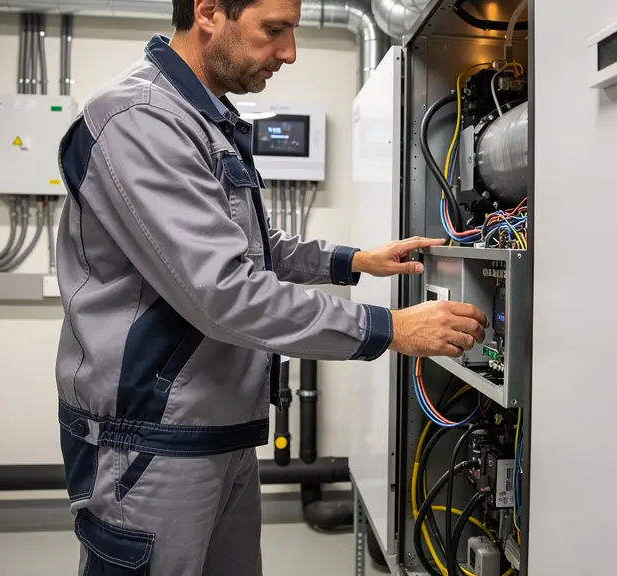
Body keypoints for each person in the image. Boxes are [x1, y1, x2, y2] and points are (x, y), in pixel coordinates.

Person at [51, 0, 488, 572]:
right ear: (208, 11)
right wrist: (390, 329)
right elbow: (224, 293)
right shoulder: (139, 118)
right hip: (152, 443)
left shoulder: (202, 117)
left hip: (215, 430)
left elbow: (248, 246)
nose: (289, 53)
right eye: (274, 31)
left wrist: (353, 260)